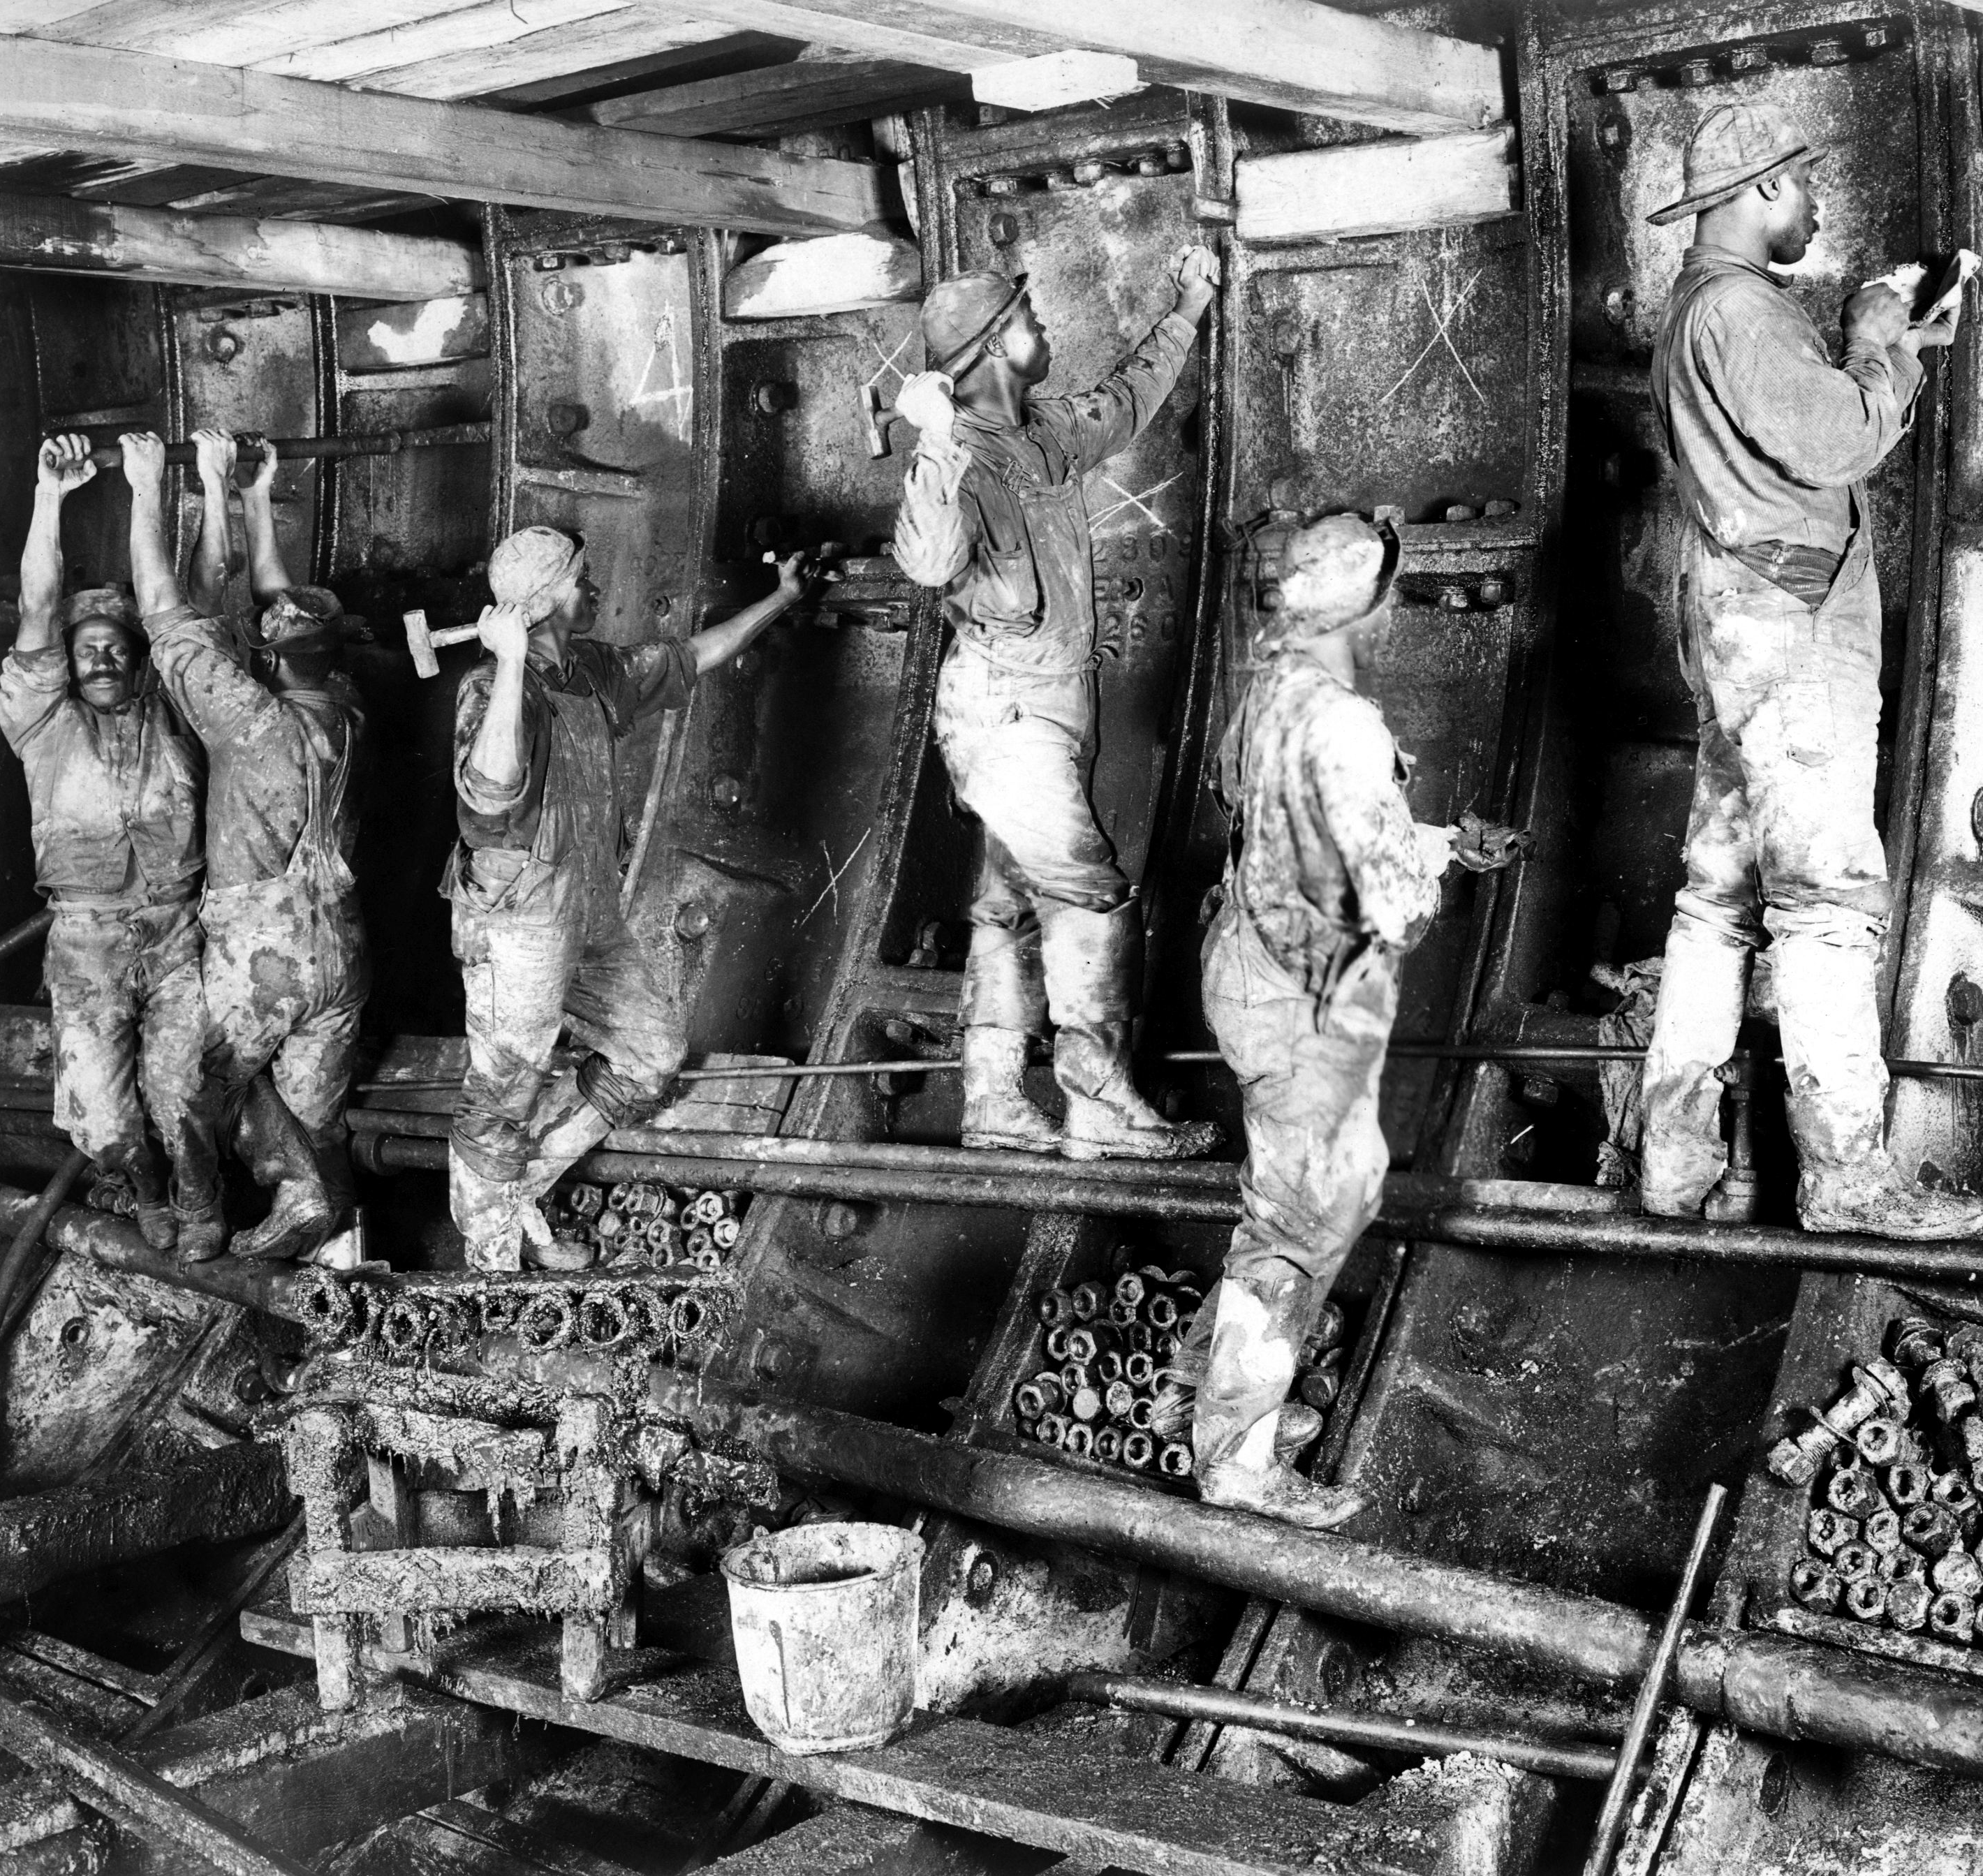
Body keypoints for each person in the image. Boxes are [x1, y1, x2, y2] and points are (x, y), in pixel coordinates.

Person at [1638, 102, 1983, 1241]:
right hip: (1791, 630)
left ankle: (1672, 1154)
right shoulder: (1745, 311)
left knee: (1715, 899)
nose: (1813, 204)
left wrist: (1889, 352)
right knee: (1826, 898)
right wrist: (1877, 325)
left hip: (1740, 616)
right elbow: (1838, 444)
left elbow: (1813, 426)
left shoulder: (1698, 310)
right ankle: (1846, 1173)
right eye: (1798, 184)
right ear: (1757, 190)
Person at [1162, 515, 1521, 1528]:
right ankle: (1233, 1458)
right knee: (1299, 1220)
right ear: (1374, 607)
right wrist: (1427, 865)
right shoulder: (1346, 726)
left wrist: (1443, 837)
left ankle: (1206, 1379)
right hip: (1300, 1000)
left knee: (1324, 1196)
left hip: (1246, 967)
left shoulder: (1268, 694)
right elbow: (1393, 903)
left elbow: (1277, 816)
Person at [892, 247, 1223, 1162]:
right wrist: (930, 442)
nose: (1048, 335)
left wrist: (1187, 304)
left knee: (1009, 905)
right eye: (1031, 323)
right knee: (1093, 897)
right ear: (998, 344)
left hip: (1050, 700)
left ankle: (994, 1100)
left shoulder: (1042, 432)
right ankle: (1101, 1102)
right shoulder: (958, 451)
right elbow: (925, 561)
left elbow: (1125, 400)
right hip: (1004, 713)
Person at [445, 526, 811, 1272]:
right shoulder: (489, 688)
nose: (596, 590)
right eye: (582, 580)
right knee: (501, 1096)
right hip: (517, 922)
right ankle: (487, 1267)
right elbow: (488, 796)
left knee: (650, 1052)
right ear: (545, 601)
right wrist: (510, 665)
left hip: (589, 912)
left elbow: (691, 657)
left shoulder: (590, 669)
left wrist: (783, 597)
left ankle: (521, 1200)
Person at [124, 427, 365, 1260]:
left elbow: (163, 609)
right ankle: (328, 1231)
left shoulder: (253, 723)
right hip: (341, 943)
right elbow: (281, 605)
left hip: (265, 949)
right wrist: (253, 495)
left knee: (187, 1080)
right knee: (310, 1107)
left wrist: (151, 484)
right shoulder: (345, 705)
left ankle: (246, 1204)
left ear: (268, 654)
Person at [0, 436, 212, 1258]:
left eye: (118, 644)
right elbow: (36, 612)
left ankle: (198, 1196)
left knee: (184, 1087)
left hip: (177, 927)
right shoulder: (42, 721)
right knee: (100, 1110)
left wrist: (145, 492)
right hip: (85, 940)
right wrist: (51, 496)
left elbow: (188, 611)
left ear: (140, 657)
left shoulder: (176, 715)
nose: (101, 654)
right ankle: (145, 1185)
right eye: (86, 646)